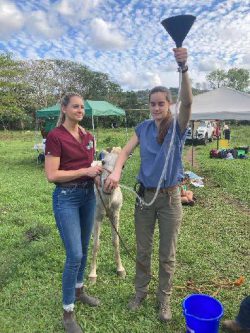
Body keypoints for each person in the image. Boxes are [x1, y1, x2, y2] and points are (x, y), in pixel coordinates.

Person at [105, 48, 192, 322]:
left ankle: (163, 301)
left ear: (169, 105)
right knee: (143, 250)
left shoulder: (177, 126)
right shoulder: (143, 128)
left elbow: (188, 103)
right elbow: (125, 152)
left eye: (161, 104)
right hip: (144, 199)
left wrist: (184, 68)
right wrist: (116, 171)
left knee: (167, 254)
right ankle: (140, 292)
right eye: (152, 104)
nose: (156, 108)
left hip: (169, 199)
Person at [45, 92, 103, 333]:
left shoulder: (88, 137)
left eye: (82, 108)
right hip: (66, 198)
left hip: (88, 197)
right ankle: (68, 311)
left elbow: (91, 169)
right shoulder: (55, 136)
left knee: (85, 247)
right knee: (75, 254)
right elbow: (52, 175)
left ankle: (79, 291)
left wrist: (99, 178)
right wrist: (84, 172)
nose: (80, 111)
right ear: (64, 108)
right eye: (76, 107)